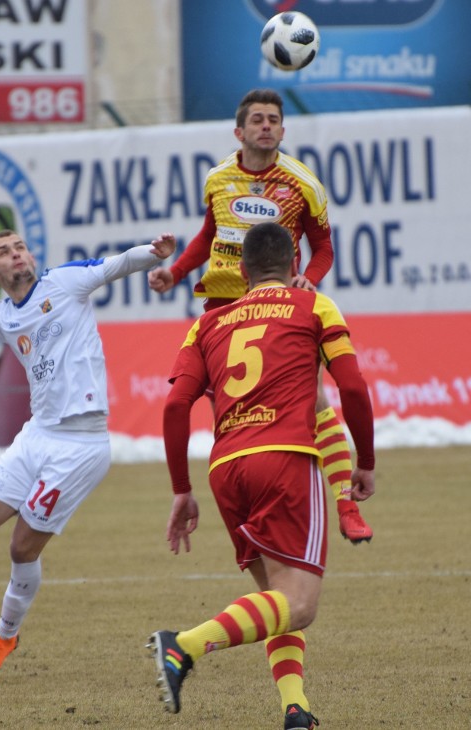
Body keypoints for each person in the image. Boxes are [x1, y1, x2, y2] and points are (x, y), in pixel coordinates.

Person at [0, 229, 176, 680]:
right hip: (37, 435)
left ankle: (5, 636)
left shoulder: (63, 283)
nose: (17, 255)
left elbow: (116, 264)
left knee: (22, 548)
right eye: (5, 253)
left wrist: (153, 253)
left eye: (20, 247)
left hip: (82, 444)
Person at [148, 222, 375, 729]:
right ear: (296, 266)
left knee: (275, 598)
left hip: (227, 470)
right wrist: (366, 463)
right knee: (299, 605)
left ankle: (295, 707)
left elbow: (175, 405)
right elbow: (354, 390)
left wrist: (181, 491)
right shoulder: (313, 305)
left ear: (242, 272)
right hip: (286, 459)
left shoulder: (206, 324)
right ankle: (182, 646)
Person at [148, 88, 372, 545]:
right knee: (234, 419)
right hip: (224, 308)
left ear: (283, 131)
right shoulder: (217, 179)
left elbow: (324, 246)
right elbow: (208, 235)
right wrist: (175, 273)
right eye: (257, 120)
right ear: (240, 131)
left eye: (273, 119)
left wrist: (308, 277)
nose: (266, 126)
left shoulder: (303, 183)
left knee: (314, 400)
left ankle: (346, 504)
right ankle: (255, 519)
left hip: (278, 304)